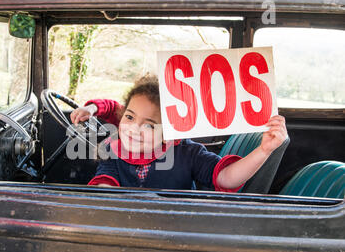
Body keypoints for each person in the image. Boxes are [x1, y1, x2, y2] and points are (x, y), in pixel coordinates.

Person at [70, 75, 288, 191]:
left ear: (169, 134)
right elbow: (106, 184)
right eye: (129, 117)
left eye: (149, 125)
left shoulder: (188, 153)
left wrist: (263, 150)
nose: (133, 129)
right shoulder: (115, 149)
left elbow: (227, 178)